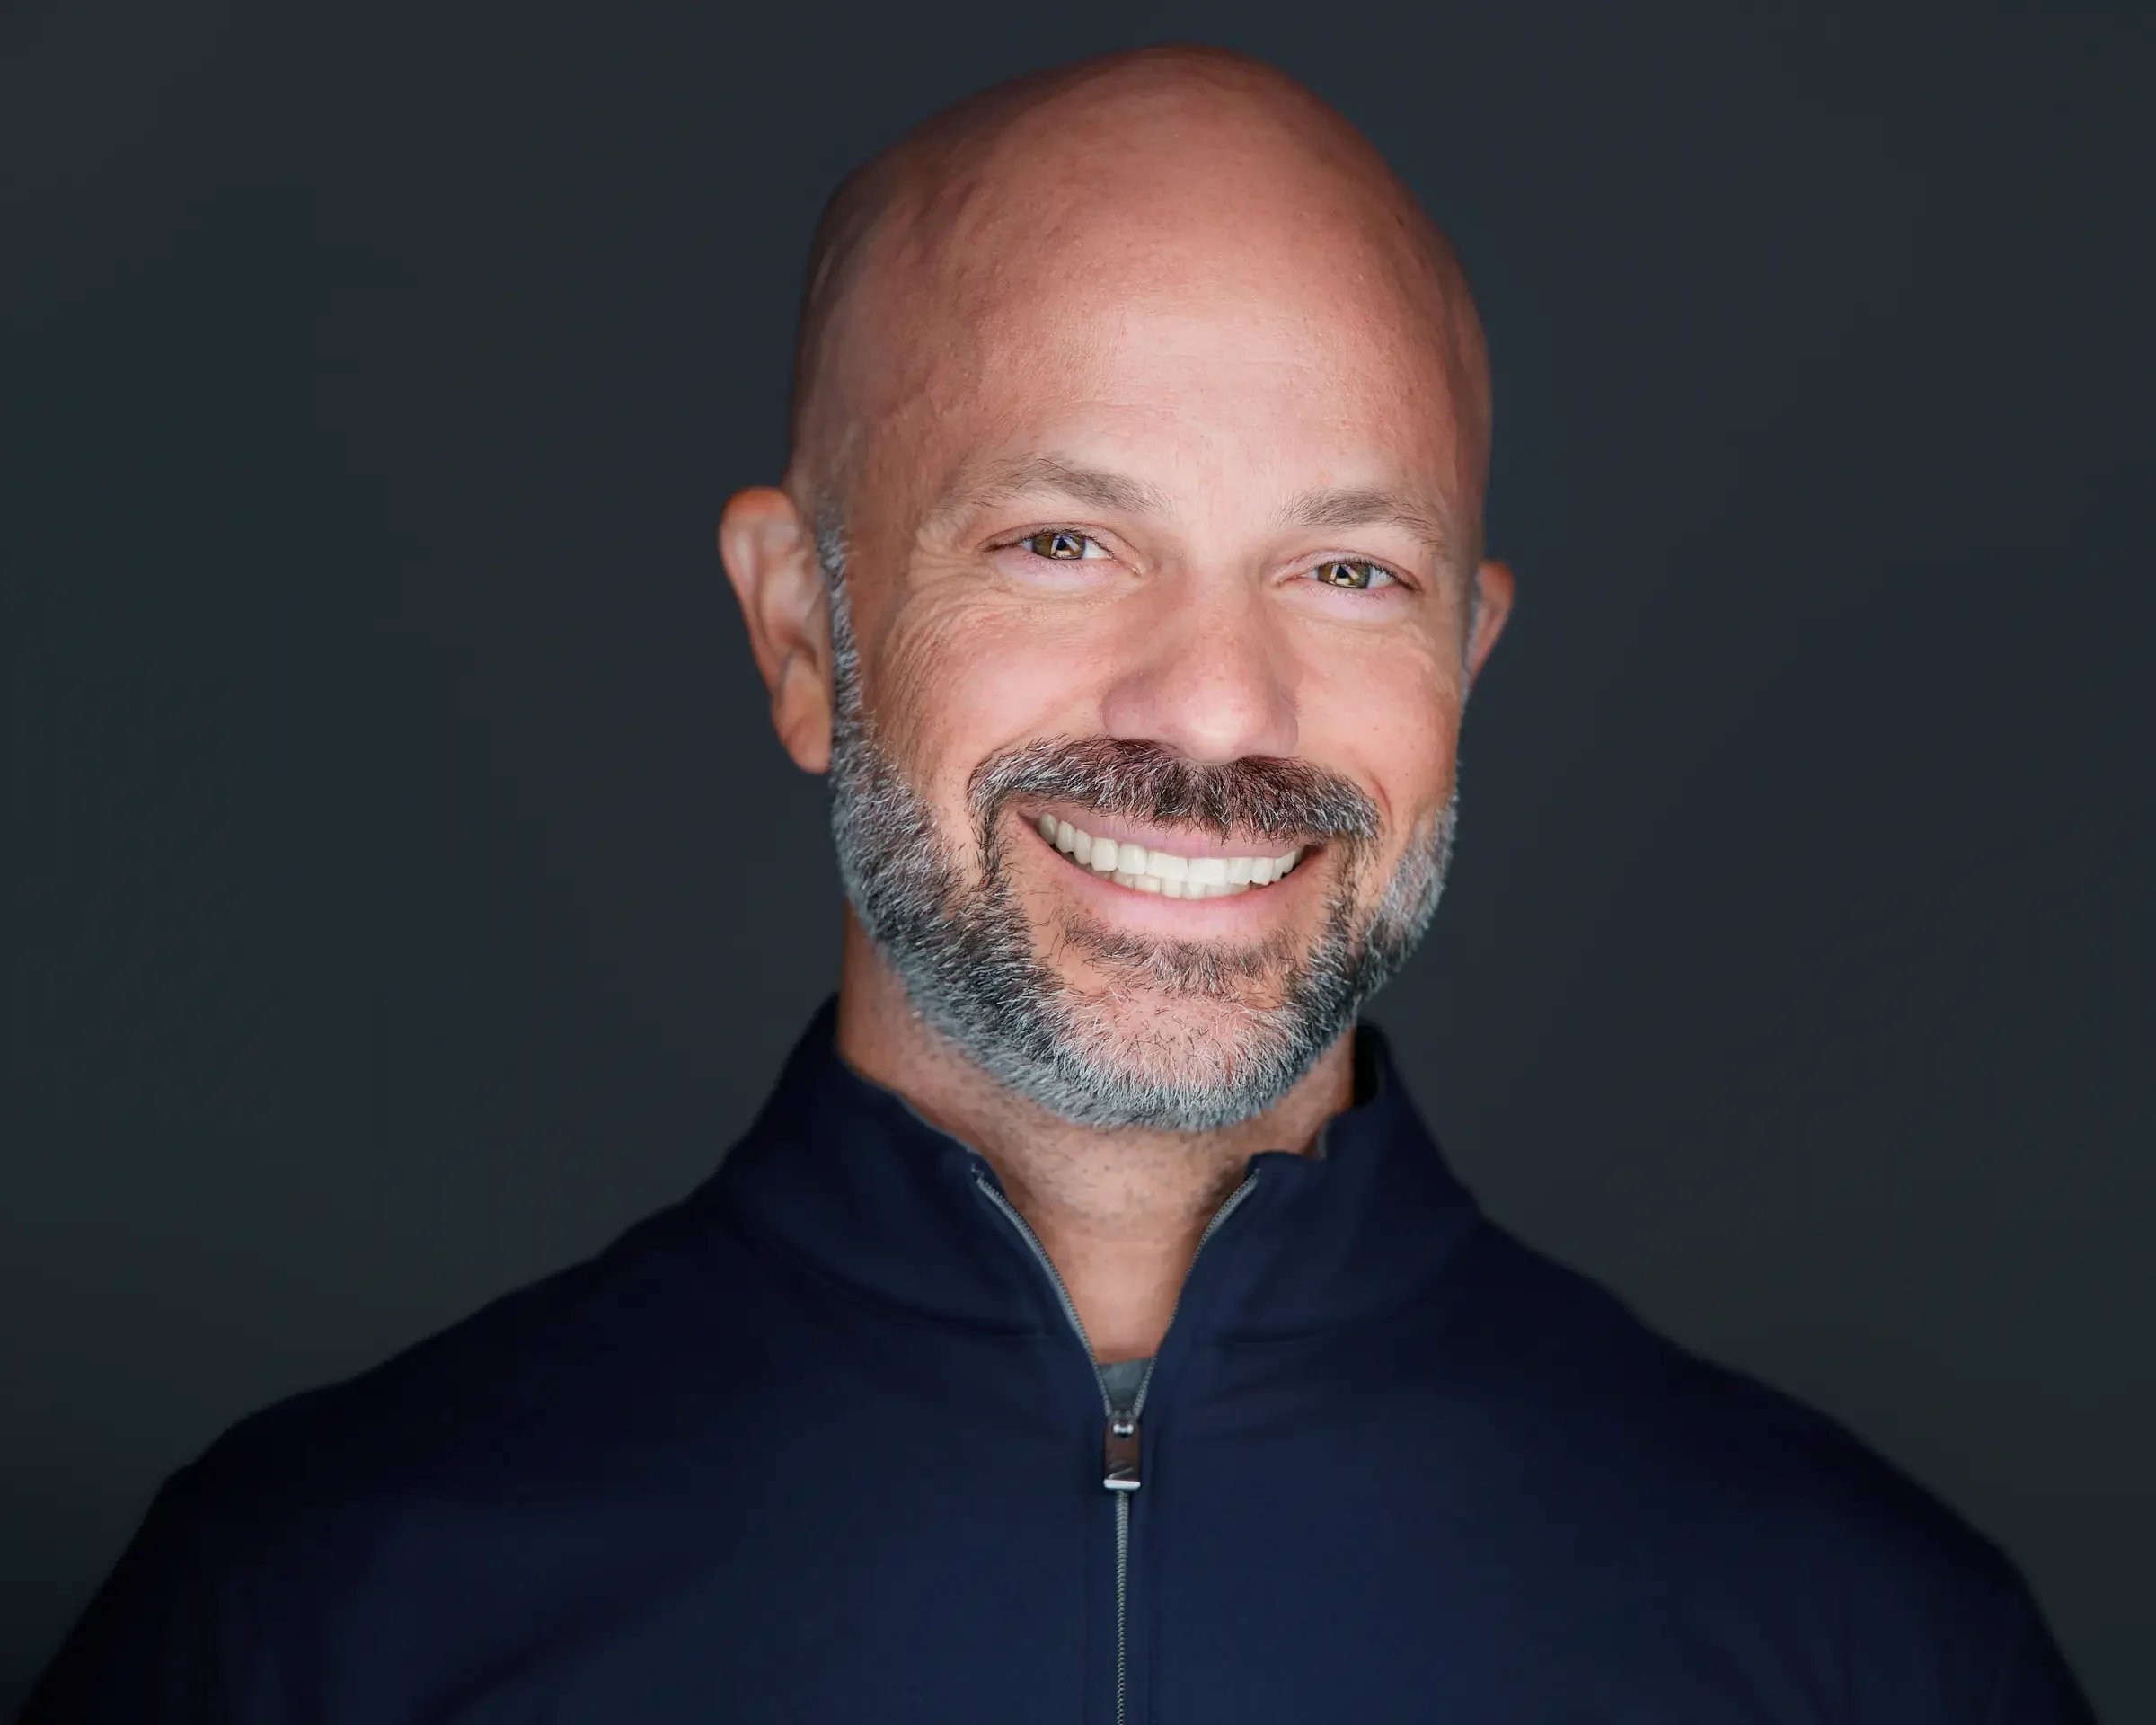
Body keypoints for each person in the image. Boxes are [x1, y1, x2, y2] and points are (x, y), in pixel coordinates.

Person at [25, 45, 2091, 1723]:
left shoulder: (1867, 1646)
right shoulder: (316, 1619)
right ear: (803, 635)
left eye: (1348, 571)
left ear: (1466, 660)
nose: (1215, 708)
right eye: (1062, 543)